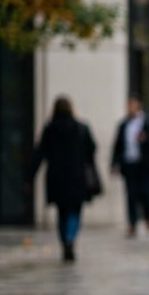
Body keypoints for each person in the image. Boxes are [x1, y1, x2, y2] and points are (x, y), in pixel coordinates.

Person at [28, 97, 97, 262]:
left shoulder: (50, 129)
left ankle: (65, 240)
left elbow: (39, 153)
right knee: (74, 211)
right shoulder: (82, 128)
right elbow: (92, 149)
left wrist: (29, 176)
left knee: (62, 212)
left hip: (57, 177)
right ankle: (70, 238)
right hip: (76, 176)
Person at [110, 94, 149, 237]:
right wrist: (114, 163)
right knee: (130, 195)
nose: (129, 108)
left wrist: (146, 139)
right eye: (128, 106)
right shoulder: (123, 125)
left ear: (138, 106)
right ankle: (132, 224)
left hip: (144, 165)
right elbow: (117, 146)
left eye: (132, 105)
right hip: (129, 164)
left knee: (146, 194)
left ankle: (148, 217)